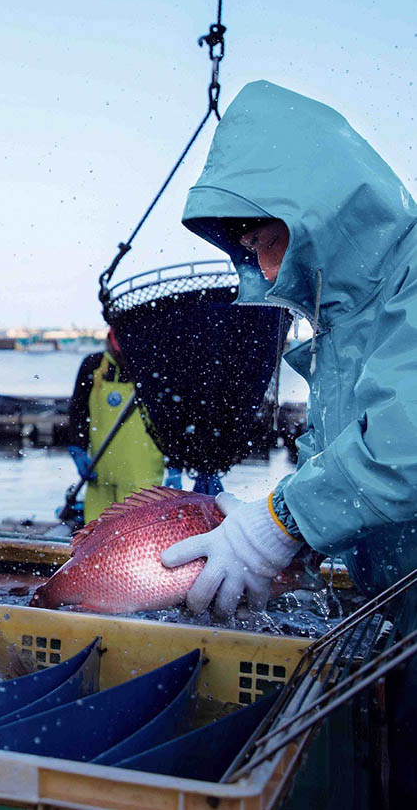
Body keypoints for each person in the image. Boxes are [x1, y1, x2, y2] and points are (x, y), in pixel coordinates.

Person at [159, 80, 417, 802]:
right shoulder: (344, 316)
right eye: (247, 247)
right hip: (395, 611)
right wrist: (279, 525)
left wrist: (283, 522)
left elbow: (404, 450)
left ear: (318, 217)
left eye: (267, 239)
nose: (262, 267)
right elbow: (338, 455)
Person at [65, 327, 164, 524]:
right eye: (118, 353)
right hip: (100, 475)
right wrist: (77, 449)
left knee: (138, 535)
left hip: (142, 480)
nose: (122, 359)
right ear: (109, 341)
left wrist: (177, 467)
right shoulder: (92, 366)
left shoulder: (153, 369)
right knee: (95, 536)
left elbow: (171, 418)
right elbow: (78, 413)